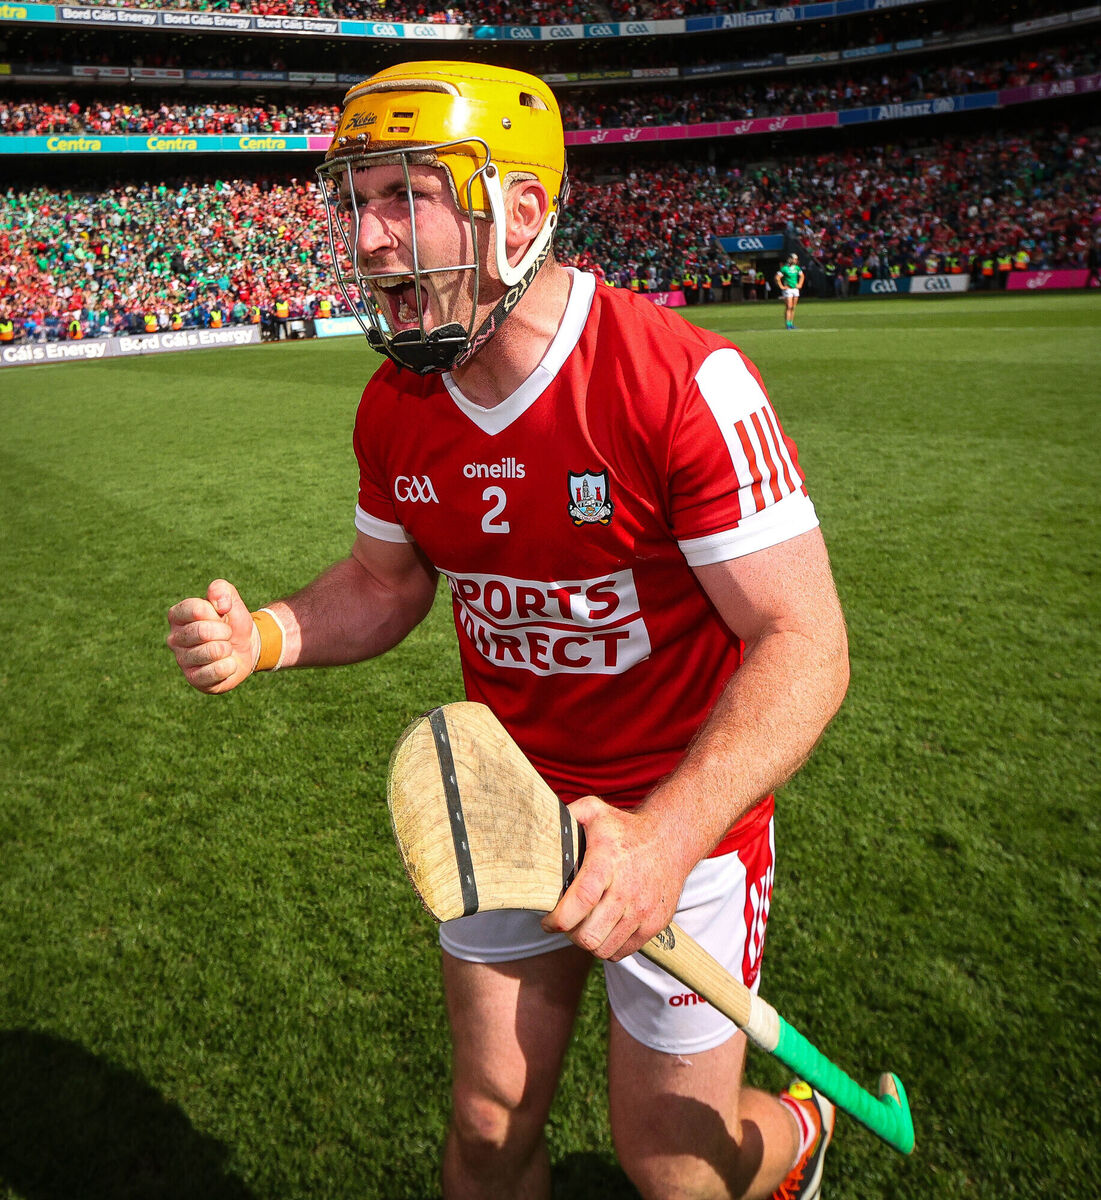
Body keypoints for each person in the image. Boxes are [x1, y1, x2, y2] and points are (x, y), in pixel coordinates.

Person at [166, 60, 850, 1200]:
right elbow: (386, 585)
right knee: (486, 1124)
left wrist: (667, 837)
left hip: (682, 821)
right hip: (506, 805)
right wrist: (271, 634)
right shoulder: (394, 406)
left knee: (673, 1167)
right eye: (357, 200)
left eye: (405, 195)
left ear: (521, 212)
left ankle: (800, 1134)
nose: (372, 238)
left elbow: (805, 642)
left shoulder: (681, 382)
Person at [775, 254, 804, 330]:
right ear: (790, 259)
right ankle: (788, 324)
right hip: (788, 289)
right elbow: (777, 277)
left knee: (793, 307)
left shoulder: (797, 268)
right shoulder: (784, 268)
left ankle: (791, 323)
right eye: (794, 259)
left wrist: (800, 284)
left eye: (796, 259)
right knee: (789, 306)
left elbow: (802, 276)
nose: (795, 260)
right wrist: (781, 286)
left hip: (795, 289)